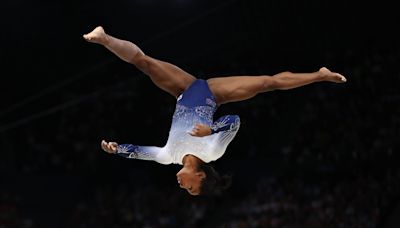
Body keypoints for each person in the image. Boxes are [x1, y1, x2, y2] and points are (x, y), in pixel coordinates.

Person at [83, 26, 347, 196]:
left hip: (184, 91)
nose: (183, 187)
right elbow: (234, 120)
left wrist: (116, 149)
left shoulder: (168, 157)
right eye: (191, 189)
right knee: (268, 82)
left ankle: (105, 38)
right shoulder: (212, 151)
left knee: (146, 63)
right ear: (200, 176)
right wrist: (212, 129)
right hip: (213, 95)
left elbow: (141, 153)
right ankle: (319, 76)